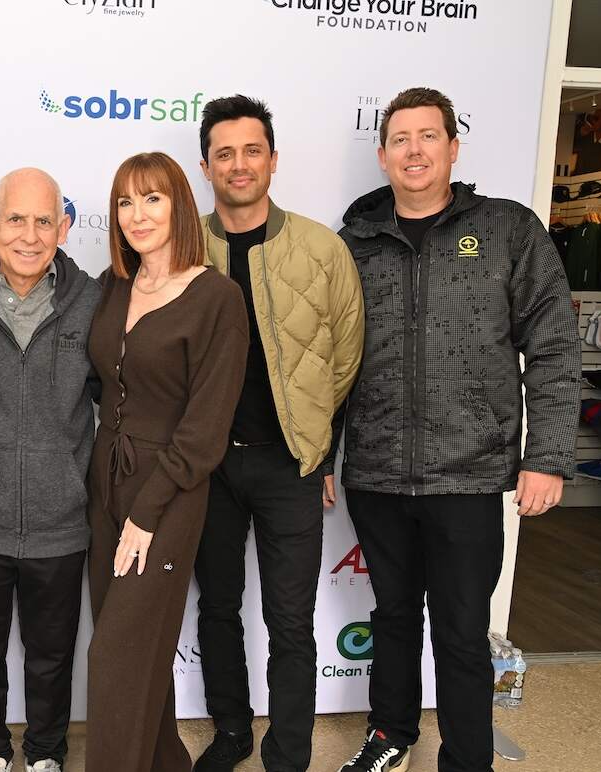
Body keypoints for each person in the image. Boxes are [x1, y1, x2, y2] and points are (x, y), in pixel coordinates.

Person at [335, 87, 581, 772]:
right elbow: (325, 360)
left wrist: (549, 457)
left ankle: (467, 757)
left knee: (463, 632)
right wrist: (323, 458)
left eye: (428, 136)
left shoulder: (508, 231)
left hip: (470, 472)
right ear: (382, 154)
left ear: (452, 147)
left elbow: (555, 345)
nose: (415, 150)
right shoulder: (352, 245)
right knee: (391, 619)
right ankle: (391, 736)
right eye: (401, 139)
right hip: (377, 470)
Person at [191, 96, 364, 772]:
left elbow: (345, 358)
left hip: (291, 467)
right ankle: (231, 732)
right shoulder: (182, 246)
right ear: (206, 164)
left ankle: (286, 752)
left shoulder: (320, 248)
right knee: (218, 611)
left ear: (272, 159)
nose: (239, 165)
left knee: (292, 623)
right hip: (210, 468)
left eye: (251, 150)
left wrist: (319, 446)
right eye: (225, 153)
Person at [84, 151, 249, 772]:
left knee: (117, 657)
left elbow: (206, 430)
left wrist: (148, 512)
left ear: (181, 204)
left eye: (152, 198)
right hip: (104, 483)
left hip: (169, 492)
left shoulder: (216, 298)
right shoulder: (112, 286)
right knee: (137, 652)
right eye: (125, 201)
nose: (137, 214)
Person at [0, 168, 101, 772]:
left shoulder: (95, 301)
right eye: (14, 219)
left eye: (43, 221)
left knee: (51, 656)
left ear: (64, 227)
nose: (29, 235)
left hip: (60, 521)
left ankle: (44, 755)